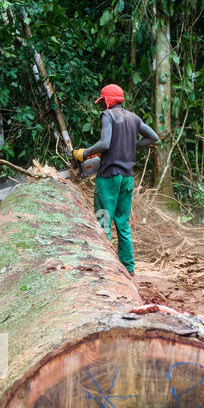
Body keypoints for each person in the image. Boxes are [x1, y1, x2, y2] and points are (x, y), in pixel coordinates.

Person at [73, 84, 158, 275]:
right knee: (123, 223)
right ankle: (128, 267)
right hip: (127, 178)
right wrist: (130, 146)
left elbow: (104, 143)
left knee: (104, 221)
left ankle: (107, 267)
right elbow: (153, 138)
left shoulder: (108, 116)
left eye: (103, 101)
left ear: (108, 100)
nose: (102, 105)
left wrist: (84, 153)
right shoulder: (134, 118)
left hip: (109, 177)